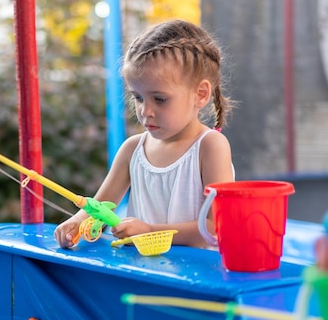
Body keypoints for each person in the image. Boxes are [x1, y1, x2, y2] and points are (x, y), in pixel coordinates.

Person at [54, 19, 235, 249]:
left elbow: (217, 226)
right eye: (138, 97)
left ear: (200, 94)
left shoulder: (211, 146)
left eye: (160, 99)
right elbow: (100, 207)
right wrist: (77, 221)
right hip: (143, 273)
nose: (145, 111)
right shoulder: (132, 149)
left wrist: (149, 231)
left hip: (197, 279)